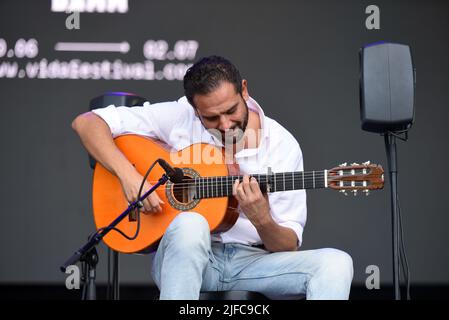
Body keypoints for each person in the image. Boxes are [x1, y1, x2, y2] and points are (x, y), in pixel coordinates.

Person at [71, 55, 353, 300]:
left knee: (337, 264)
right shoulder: (180, 116)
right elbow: (87, 123)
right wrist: (129, 175)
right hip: (188, 261)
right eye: (212, 118)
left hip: (255, 265)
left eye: (231, 111)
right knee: (193, 223)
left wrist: (262, 218)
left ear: (244, 90)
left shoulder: (281, 144)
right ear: (195, 111)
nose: (226, 125)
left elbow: (288, 244)